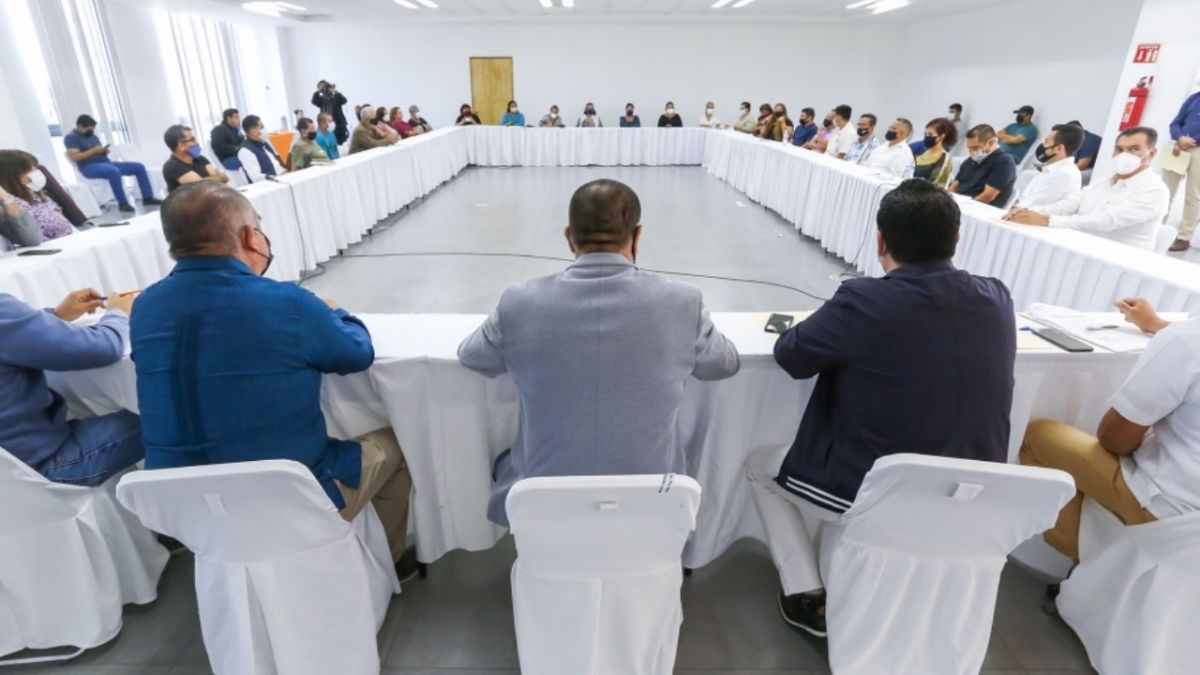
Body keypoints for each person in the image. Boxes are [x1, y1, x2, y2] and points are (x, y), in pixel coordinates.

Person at [746, 178, 1015, 637]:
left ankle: (807, 594)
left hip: (877, 489)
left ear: (880, 242)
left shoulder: (864, 300)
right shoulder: (997, 296)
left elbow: (792, 355)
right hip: (971, 489)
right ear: (956, 238)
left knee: (758, 466)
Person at [131, 182, 417, 574]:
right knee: (397, 445)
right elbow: (357, 354)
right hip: (289, 501)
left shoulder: (145, 305)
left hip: (182, 506)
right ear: (250, 236)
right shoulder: (288, 303)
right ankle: (390, 563)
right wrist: (337, 313)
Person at [458, 179, 740, 526]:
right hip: (654, 505)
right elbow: (724, 364)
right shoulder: (683, 302)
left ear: (568, 237)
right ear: (637, 236)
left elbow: (472, 356)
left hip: (543, 509)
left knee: (504, 459)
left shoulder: (518, 301)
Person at [1020, 297, 1199, 561]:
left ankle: (1091, 561)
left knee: (1038, 436)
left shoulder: (1185, 341)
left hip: (1177, 511)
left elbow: (1115, 440)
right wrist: (1156, 324)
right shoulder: (1185, 339)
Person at [0, 287, 141, 485]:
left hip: (12, 478)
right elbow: (103, 348)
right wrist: (119, 313)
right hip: (45, 470)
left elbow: (13, 338)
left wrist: (55, 316)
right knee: (171, 415)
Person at [1004, 127, 1169, 251]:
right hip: (1083, 249)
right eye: (1119, 149)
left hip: (1121, 263)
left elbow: (1107, 221)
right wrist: (1028, 212)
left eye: (1134, 149)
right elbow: (1068, 205)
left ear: (1151, 154)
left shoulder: (1155, 190)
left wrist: (1048, 220)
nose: (1124, 155)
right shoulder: (1102, 183)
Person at [64, 114, 161, 213]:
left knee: (139, 167)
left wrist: (103, 151)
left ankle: (148, 198)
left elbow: (97, 151)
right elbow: (74, 157)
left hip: (106, 163)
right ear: (80, 126)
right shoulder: (71, 138)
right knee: (113, 171)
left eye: (92, 129)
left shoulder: (92, 136)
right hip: (88, 167)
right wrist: (94, 151)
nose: (91, 131)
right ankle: (123, 203)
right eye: (88, 129)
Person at [0, 150, 75, 243]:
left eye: (35, 168)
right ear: (11, 176)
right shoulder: (12, 204)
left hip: (70, 240)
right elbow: (33, 239)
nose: (36, 172)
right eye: (29, 170)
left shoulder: (36, 193)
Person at [1008, 124, 1084, 210]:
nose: (1043, 145)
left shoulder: (1063, 174)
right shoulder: (1052, 169)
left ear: (1059, 149)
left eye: (1046, 142)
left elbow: (1029, 205)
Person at [1163, 90, 1200, 252]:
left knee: (1194, 195)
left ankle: (1184, 237)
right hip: (1178, 147)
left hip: (1197, 150)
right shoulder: (1194, 98)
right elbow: (1176, 123)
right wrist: (1180, 137)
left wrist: (1191, 141)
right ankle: (1156, 227)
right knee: (1165, 191)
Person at [949, 124, 1017, 206]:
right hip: (958, 205)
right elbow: (954, 186)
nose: (971, 152)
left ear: (991, 142)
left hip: (978, 208)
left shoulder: (1004, 162)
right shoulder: (969, 161)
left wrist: (962, 206)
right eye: (969, 148)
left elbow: (988, 196)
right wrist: (948, 202)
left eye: (975, 148)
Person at [161, 125, 229, 192]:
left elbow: (225, 178)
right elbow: (202, 186)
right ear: (181, 146)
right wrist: (218, 178)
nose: (197, 142)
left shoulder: (200, 159)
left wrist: (209, 179)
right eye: (192, 139)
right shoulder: (172, 166)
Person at [236, 115, 286, 184]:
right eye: (261, 127)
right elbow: (255, 177)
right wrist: (276, 177)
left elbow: (276, 165)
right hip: (268, 185)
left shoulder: (264, 144)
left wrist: (285, 172)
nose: (264, 130)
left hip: (281, 179)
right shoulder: (245, 150)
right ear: (253, 131)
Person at [912, 118, 957, 188]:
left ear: (941, 136)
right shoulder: (921, 151)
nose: (927, 137)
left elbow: (936, 187)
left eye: (930, 134)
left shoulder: (944, 159)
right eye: (925, 134)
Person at [311, 80, 350, 145]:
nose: (324, 88)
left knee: (341, 142)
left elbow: (344, 101)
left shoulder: (336, 96)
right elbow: (314, 101)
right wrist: (318, 91)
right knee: (330, 143)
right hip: (327, 124)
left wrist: (335, 91)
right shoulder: (321, 99)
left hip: (339, 123)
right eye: (321, 87)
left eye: (324, 85)